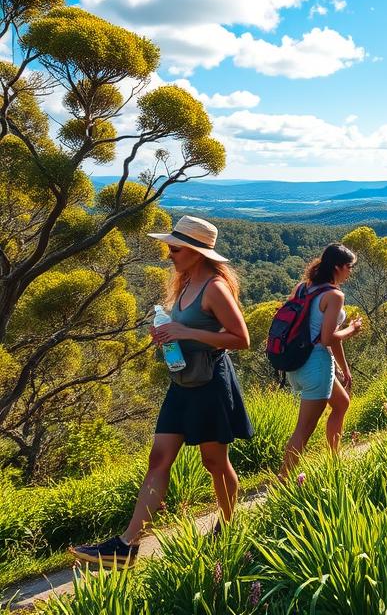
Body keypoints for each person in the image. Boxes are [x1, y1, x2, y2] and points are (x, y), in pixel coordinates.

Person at [71, 216, 253, 568]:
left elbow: (241, 339)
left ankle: (230, 525)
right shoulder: (184, 284)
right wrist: (167, 334)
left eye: (175, 248)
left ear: (197, 252)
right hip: (183, 384)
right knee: (159, 458)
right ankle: (126, 546)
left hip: (210, 384)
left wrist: (186, 334)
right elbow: (186, 329)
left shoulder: (214, 287)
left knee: (214, 462)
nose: (169, 254)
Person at [279, 243, 362, 480]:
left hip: (297, 362)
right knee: (304, 429)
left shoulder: (304, 288)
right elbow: (328, 338)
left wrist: (344, 369)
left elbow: (319, 334)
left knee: (342, 404)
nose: (350, 271)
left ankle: (334, 462)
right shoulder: (335, 295)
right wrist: (352, 329)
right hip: (316, 364)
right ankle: (282, 482)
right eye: (349, 267)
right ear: (337, 267)